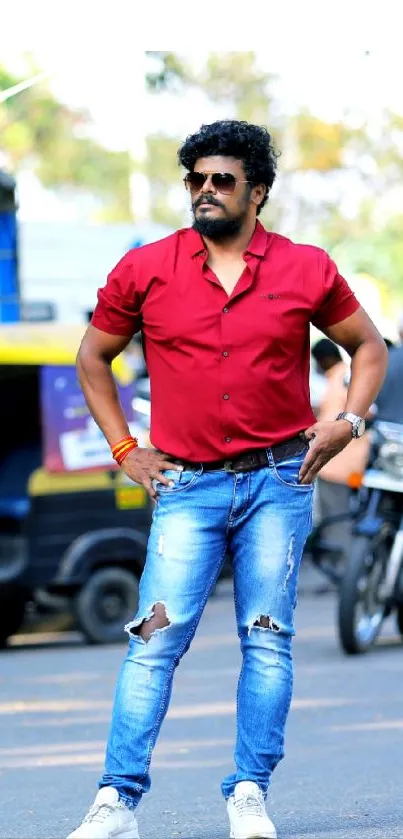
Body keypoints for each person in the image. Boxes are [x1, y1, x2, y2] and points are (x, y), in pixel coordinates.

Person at [67, 120, 388, 839]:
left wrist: (348, 419)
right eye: (195, 180)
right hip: (186, 486)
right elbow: (92, 359)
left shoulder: (304, 266)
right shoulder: (146, 268)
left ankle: (248, 790)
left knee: (266, 637)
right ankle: (116, 803)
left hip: (279, 479)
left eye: (221, 180)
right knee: (153, 640)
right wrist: (124, 446)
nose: (204, 191)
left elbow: (366, 345)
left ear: (257, 192)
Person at [311, 339, 371, 558]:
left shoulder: (344, 376)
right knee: (341, 516)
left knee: (337, 517)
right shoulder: (339, 377)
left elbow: (367, 412)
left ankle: (346, 571)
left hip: (338, 463)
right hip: (340, 461)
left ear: (324, 359)